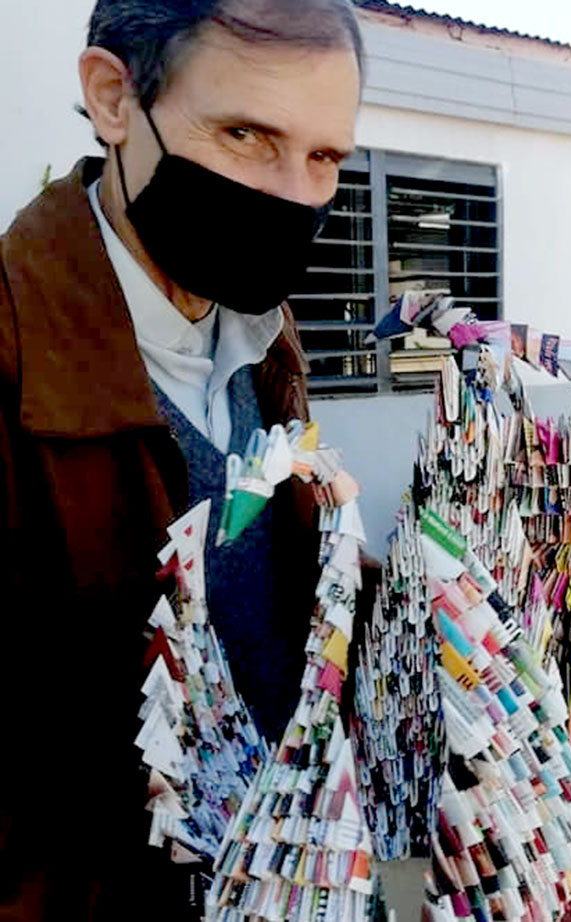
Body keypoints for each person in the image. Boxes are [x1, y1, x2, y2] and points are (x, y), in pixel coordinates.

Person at [0, 1, 363, 918]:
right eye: (245, 133)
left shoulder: (264, 334)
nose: (291, 194)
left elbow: (257, 569)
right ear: (114, 98)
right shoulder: (11, 360)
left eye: (324, 158)